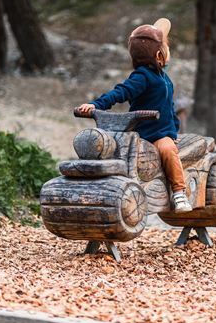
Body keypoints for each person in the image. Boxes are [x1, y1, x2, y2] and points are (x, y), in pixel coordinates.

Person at [77, 18, 192, 212]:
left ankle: (179, 193)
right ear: (158, 54)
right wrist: (95, 104)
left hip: (163, 134)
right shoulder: (142, 76)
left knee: (168, 149)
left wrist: (174, 132)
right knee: (160, 151)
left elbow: (169, 107)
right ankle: (176, 192)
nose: (168, 49)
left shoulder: (164, 78)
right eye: (165, 46)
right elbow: (120, 92)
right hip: (144, 133)